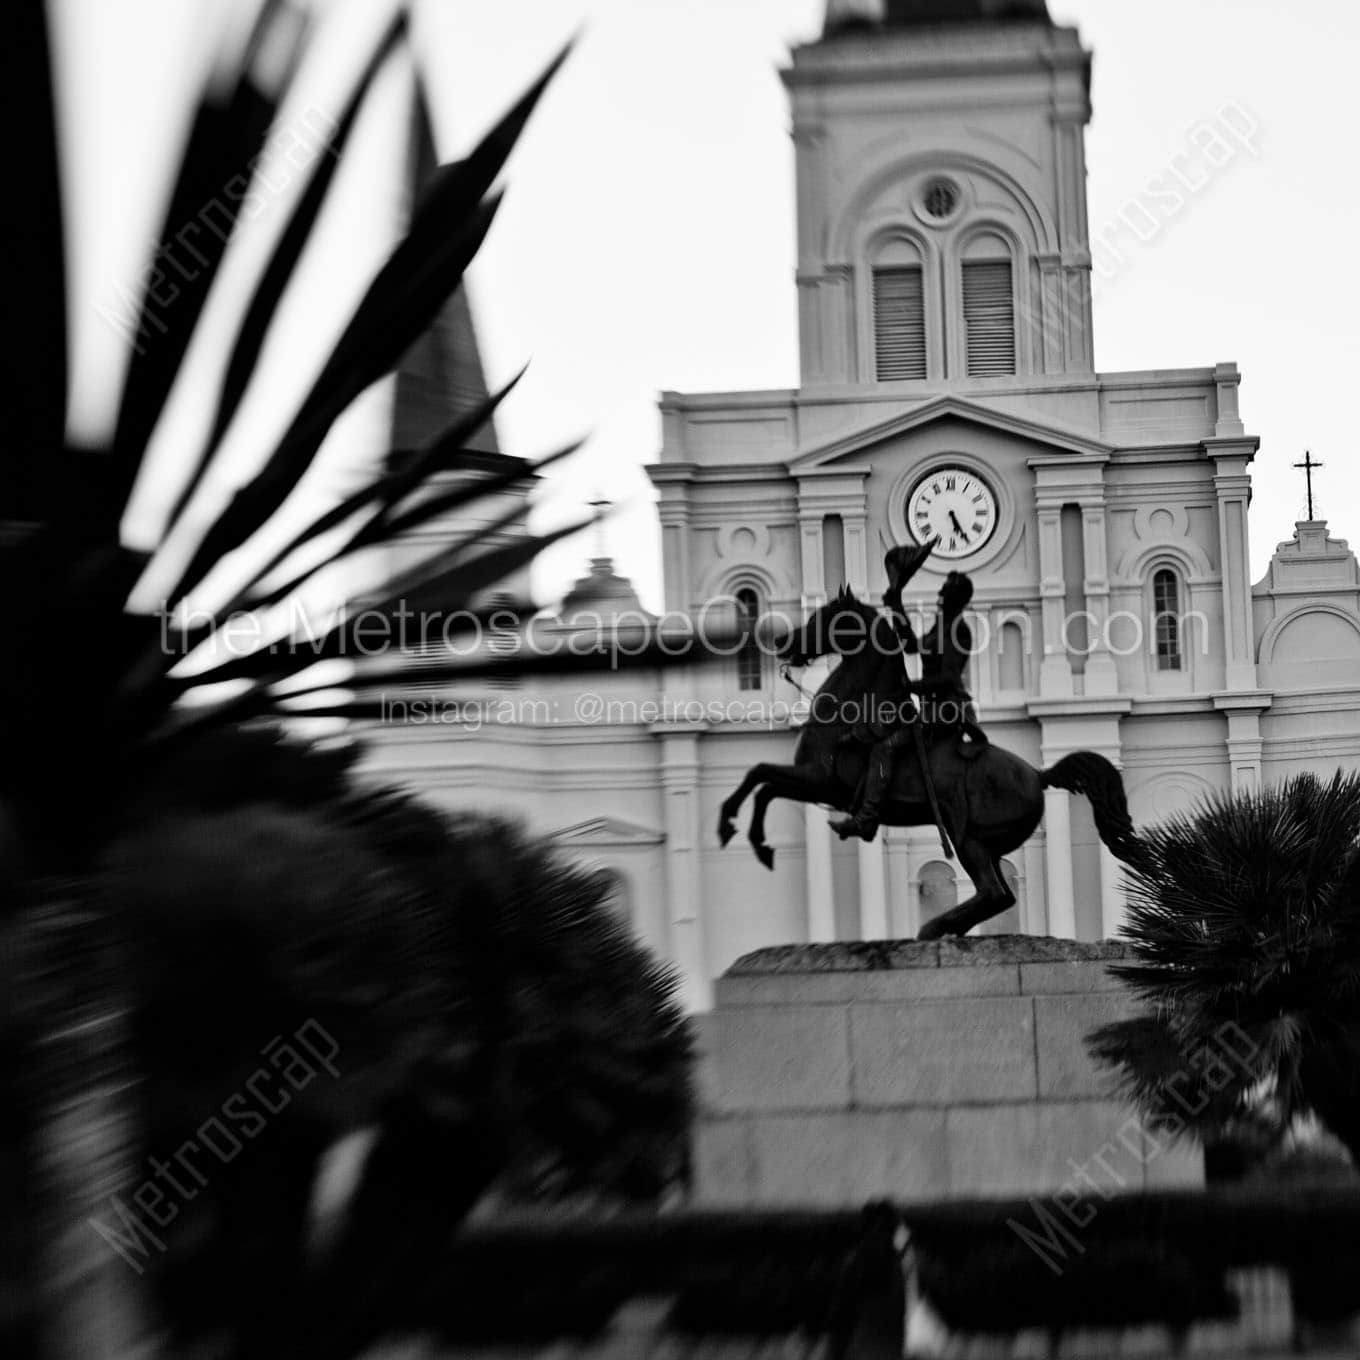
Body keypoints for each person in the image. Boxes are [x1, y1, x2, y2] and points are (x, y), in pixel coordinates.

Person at [831, 546, 988, 842]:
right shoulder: (942, 626)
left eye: (944, 592)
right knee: (877, 723)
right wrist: (896, 605)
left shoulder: (958, 629)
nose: (940, 596)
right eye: (941, 591)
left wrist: (912, 687)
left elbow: (949, 678)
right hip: (930, 708)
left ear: (955, 599)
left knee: (886, 747)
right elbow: (911, 645)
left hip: (948, 711)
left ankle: (867, 819)